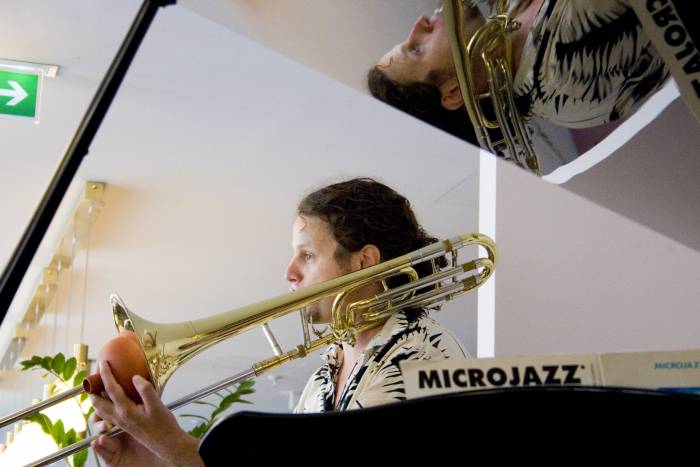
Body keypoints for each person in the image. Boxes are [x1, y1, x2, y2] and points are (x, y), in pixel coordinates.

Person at [89, 178, 467, 466]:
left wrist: (172, 446)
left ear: (363, 261)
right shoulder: (330, 366)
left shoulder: (418, 354)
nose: (290, 272)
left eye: (307, 255)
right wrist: (158, 460)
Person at [368, 0, 670, 144]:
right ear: (455, 92)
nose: (419, 24)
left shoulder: (508, 21)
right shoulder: (561, 78)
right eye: (417, 49)